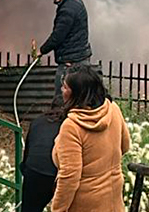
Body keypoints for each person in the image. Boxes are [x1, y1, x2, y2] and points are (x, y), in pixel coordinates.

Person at [51, 65, 131, 212]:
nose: (61, 91)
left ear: (77, 93)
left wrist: (57, 209)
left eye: (65, 87)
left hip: (85, 204)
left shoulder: (72, 126)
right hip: (113, 199)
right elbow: (125, 145)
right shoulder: (113, 109)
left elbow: (69, 176)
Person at [36, 0, 92, 103]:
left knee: (61, 100)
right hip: (80, 58)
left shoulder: (68, 9)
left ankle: (62, 123)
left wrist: (41, 50)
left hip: (71, 63)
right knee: (80, 100)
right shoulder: (74, 1)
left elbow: (57, 36)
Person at [20, 99, 63, 212]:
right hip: (58, 173)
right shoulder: (70, 125)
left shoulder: (37, 121)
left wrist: (25, 169)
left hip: (34, 170)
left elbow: (28, 150)